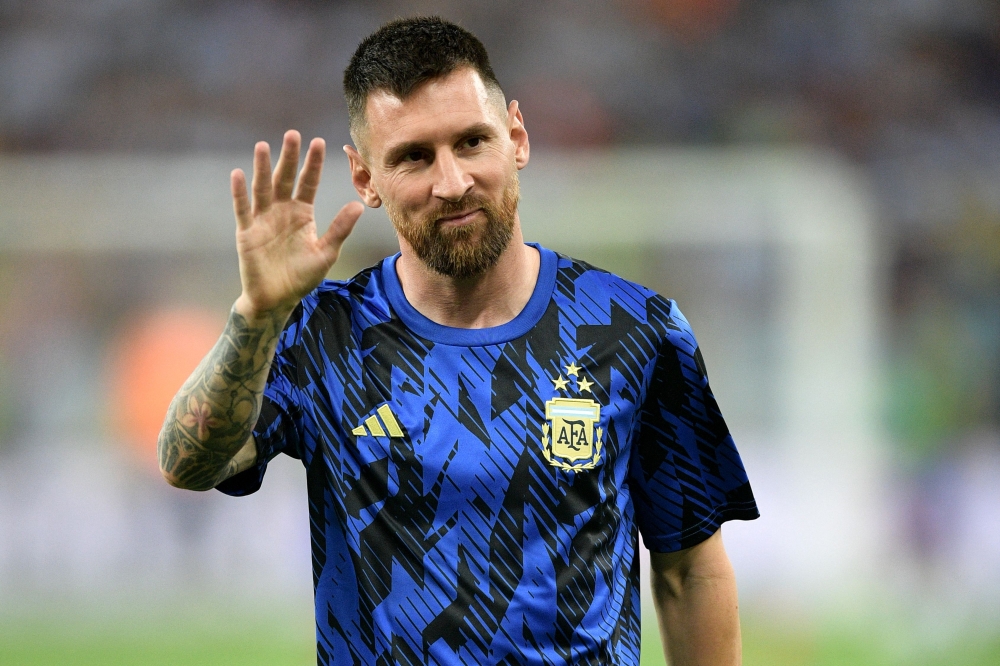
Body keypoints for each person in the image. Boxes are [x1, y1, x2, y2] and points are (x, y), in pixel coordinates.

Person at [157, 16, 758, 666]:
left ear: (516, 137)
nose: (452, 182)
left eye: (472, 142)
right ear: (365, 179)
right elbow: (187, 464)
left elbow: (690, 570)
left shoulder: (634, 330)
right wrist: (256, 315)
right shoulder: (319, 335)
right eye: (413, 157)